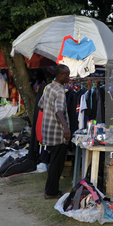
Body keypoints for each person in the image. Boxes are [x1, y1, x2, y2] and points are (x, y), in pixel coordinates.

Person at [38, 64, 71, 199]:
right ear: (59, 75)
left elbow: (40, 105)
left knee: (54, 163)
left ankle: (52, 189)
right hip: (58, 133)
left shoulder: (49, 87)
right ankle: (50, 192)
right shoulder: (60, 91)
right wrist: (66, 127)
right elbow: (59, 111)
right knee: (56, 164)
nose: (69, 77)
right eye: (66, 75)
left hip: (48, 131)